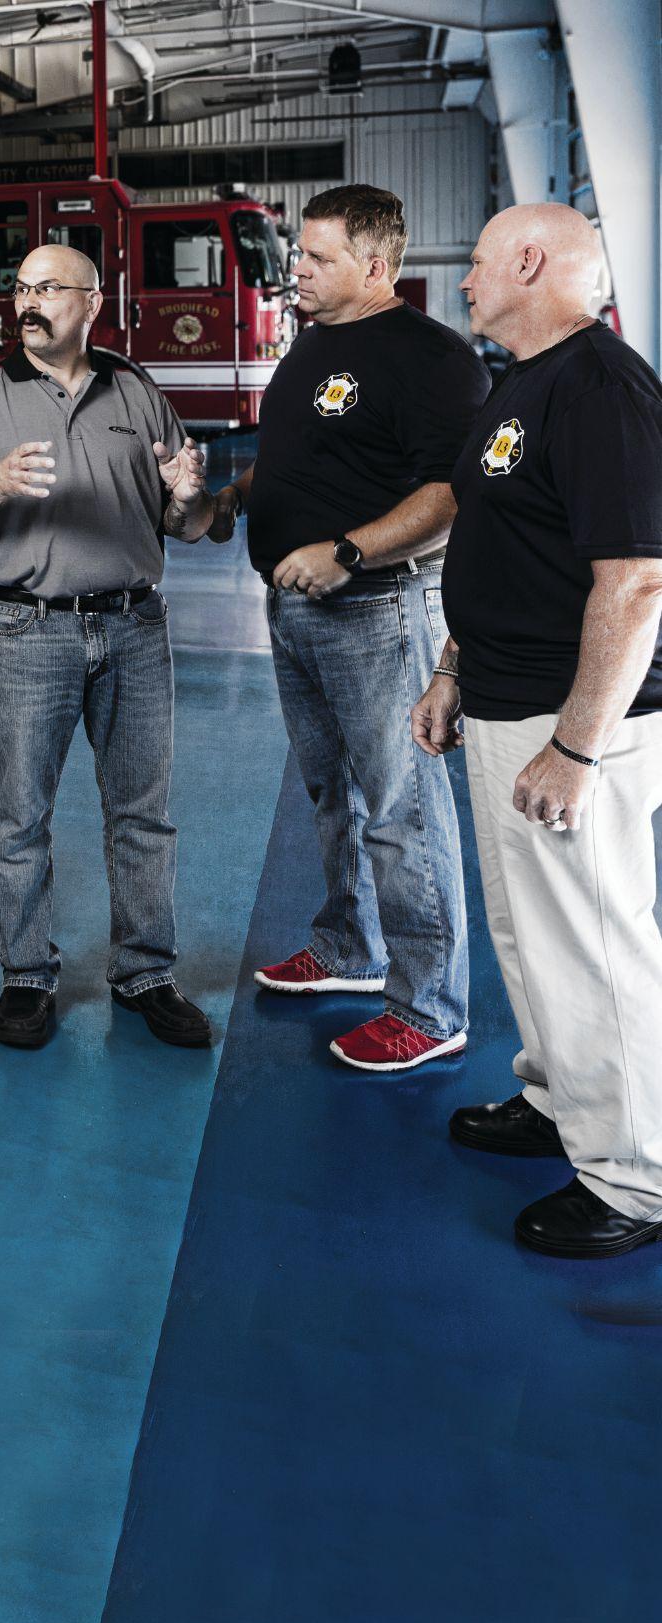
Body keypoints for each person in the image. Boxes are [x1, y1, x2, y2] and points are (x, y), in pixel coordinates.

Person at [414, 202, 662, 1258]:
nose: (465, 280)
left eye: (477, 263)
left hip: (572, 722)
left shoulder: (602, 389)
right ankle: (561, 1097)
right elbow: (498, 541)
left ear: (529, 261)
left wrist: (577, 744)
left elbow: (637, 579)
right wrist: (451, 668)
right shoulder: (521, 381)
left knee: (595, 947)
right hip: (504, 702)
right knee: (528, 935)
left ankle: (635, 1177)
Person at [203, 184, 490, 1071]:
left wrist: (349, 552)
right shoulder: (314, 344)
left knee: (402, 809)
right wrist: (232, 495)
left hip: (377, 609)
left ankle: (431, 1006)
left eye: (316, 257)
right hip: (295, 610)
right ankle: (350, 946)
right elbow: (301, 459)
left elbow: (451, 493)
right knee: (334, 795)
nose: (298, 268)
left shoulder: (432, 359)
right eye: (300, 252)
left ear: (373, 267)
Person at [0, 243, 214, 1050]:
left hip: (134, 627)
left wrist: (188, 497)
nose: (28, 302)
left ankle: (145, 971)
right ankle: (26, 974)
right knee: (21, 816)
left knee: (143, 813)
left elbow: (187, 524)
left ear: (92, 302)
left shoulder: (137, 391)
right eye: (20, 287)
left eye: (47, 288)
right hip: (26, 630)